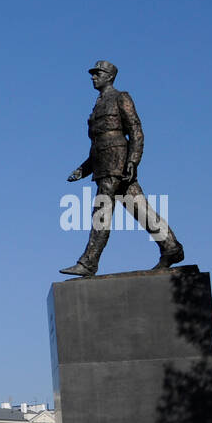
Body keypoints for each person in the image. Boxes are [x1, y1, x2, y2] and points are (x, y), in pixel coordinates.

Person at [61, 60, 184, 277]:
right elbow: (98, 144)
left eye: (97, 73)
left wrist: (132, 161)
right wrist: (83, 169)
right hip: (104, 164)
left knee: (101, 211)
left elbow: (135, 130)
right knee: (139, 207)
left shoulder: (121, 97)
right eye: (93, 74)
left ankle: (89, 262)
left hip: (117, 163)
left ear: (109, 76)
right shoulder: (97, 104)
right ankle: (170, 247)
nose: (93, 77)